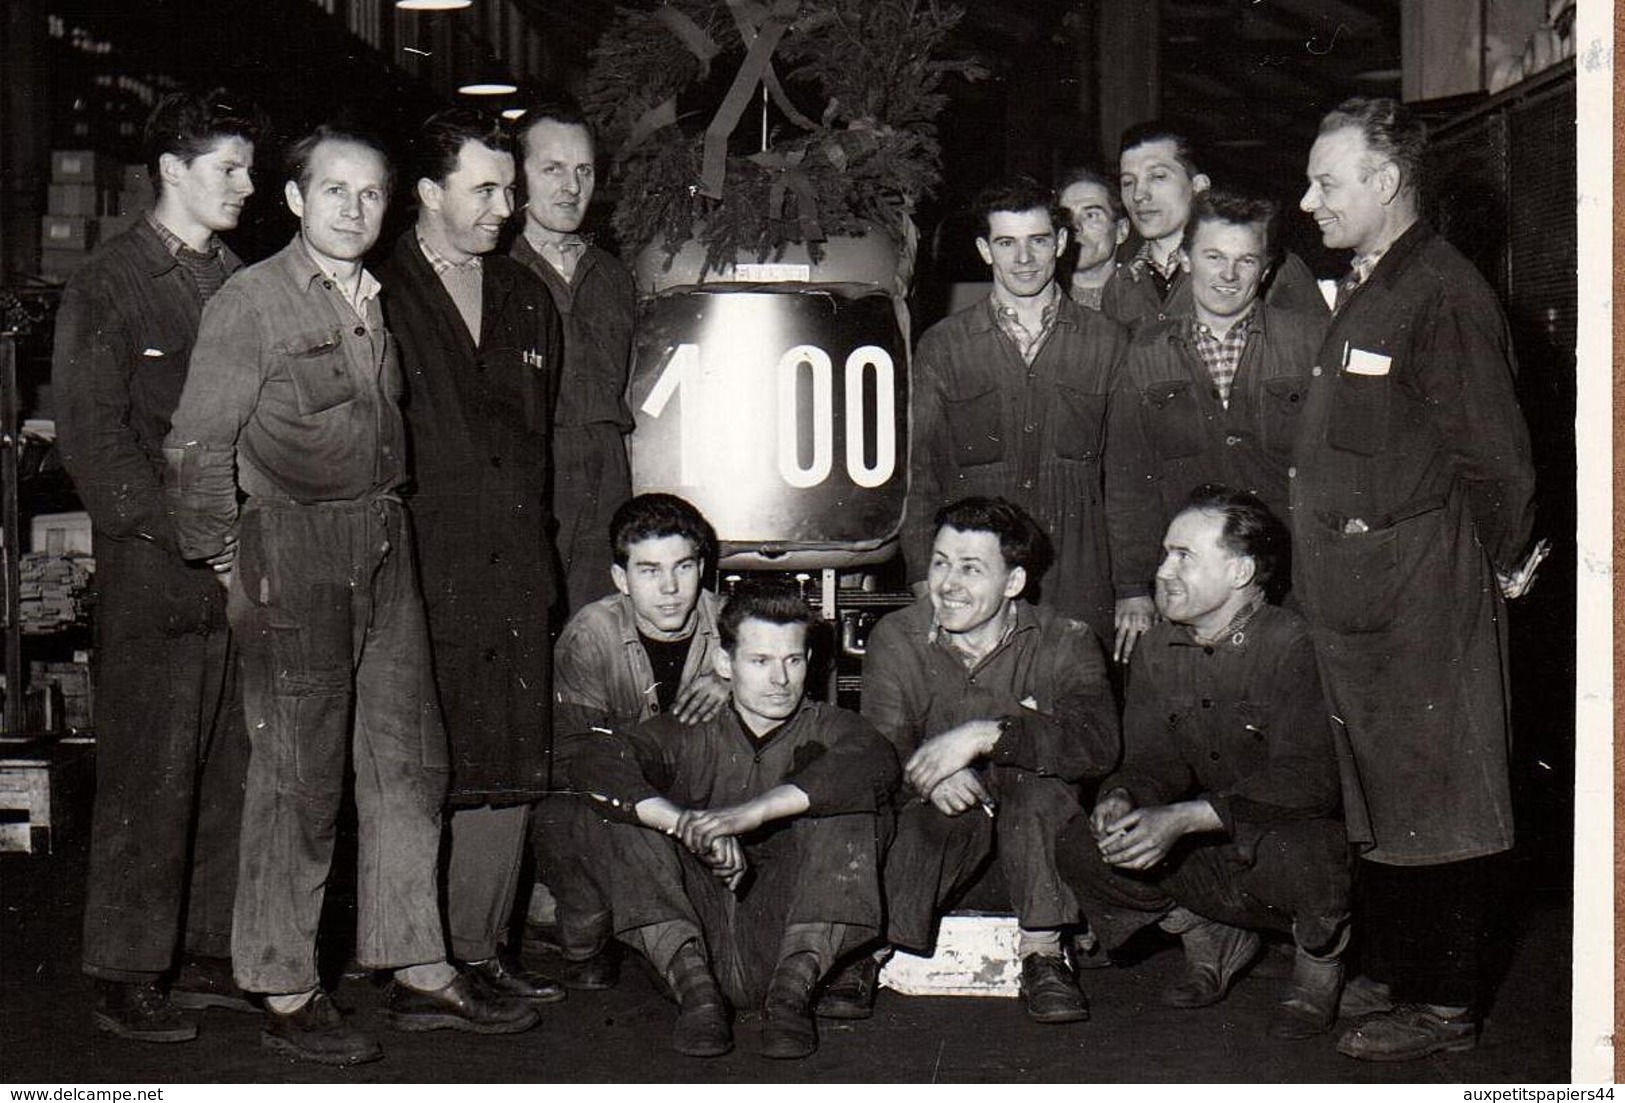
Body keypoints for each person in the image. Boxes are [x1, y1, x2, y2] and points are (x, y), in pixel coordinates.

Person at [163, 124, 536, 1066]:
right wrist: (226, 556)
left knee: (409, 763)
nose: (353, 209)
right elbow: (197, 448)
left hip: (384, 539)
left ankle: (416, 964)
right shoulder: (251, 302)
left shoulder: (375, 300)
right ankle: (284, 981)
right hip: (293, 547)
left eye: (370, 194)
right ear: (294, 200)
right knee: (298, 779)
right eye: (334, 191)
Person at [1293, 96, 1538, 1062]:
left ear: (1385, 183)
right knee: (1389, 795)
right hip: (1366, 592)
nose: (1305, 198)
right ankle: (1405, 974)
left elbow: (1500, 463)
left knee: (1440, 796)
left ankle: (1443, 1007)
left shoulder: (1440, 291)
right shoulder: (1375, 281)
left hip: (1421, 591)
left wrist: (1507, 568)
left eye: (1325, 180)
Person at [54, 89, 259, 1042]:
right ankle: (126, 968)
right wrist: (186, 537)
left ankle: (210, 950)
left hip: (239, 562)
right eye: (229, 168)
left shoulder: (241, 278)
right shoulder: (111, 280)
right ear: (171, 171)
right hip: (155, 565)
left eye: (249, 168)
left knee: (230, 761)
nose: (247, 187)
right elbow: (96, 441)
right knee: (149, 768)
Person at [376, 108, 565, 1006]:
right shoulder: (379, 289)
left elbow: (539, 444)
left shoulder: (528, 298)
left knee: (509, 753)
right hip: (418, 562)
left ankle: (479, 947)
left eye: (509, 188)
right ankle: (416, 958)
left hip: (513, 564)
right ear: (426, 194)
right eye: (484, 188)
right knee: (419, 760)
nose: (506, 206)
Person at [1055, 486, 1351, 1039]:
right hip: (1215, 844)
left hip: (1289, 843)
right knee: (1081, 843)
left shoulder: (1295, 645)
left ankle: (1320, 958)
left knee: (1309, 850)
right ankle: (1208, 930)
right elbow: (1151, 758)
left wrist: (1187, 818)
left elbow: (1312, 782)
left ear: (1239, 571)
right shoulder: (1157, 649)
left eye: (1183, 556)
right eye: (1165, 553)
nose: (1163, 570)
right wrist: (1124, 796)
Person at [568, 580, 899, 1060]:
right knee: (623, 817)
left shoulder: (831, 727)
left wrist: (744, 816)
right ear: (725, 665)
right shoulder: (687, 728)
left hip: (797, 942)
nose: (780, 680)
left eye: (793, 660)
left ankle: (790, 997)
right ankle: (698, 995)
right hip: (690, 943)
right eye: (760, 661)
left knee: (847, 806)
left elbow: (875, 760)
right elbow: (594, 759)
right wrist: (685, 824)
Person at [861, 497, 1119, 1025]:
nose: (948, 584)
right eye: (939, 562)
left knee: (1038, 789)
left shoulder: (1065, 640)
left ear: (1014, 582)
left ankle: (1043, 955)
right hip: (937, 855)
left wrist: (987, 736)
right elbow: (879, 747)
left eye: (971, 568)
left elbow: (1096, 744)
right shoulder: (896, 637)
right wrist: (928, 777)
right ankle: (868, 952)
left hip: (1040, 858)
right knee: (934, 816)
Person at [904, 176, 1128, 647]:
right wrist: (925, 580)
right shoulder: (944, 347)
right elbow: (921, 472)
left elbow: (1129, 473)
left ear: (1062, 243)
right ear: (986, 250)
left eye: (1038, 241)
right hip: (976, 574)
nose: (1023, 259)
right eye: (1006, 243)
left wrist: (1131, 586)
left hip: (1080, 574)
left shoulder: (1108, 342)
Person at [1105, 190, 1324, 662]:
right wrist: (1132, 586)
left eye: (1245, 261)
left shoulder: (1309, 343)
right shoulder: (1145, 353)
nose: (1228, 275)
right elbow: (1128, 480)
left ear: (1264, 271)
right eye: (1213, 257)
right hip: (1192, 582)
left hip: (1295, 581)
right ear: (1185, 260)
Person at [531, 492, 730, 990]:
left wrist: (735, 683)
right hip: (615, 804)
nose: (669, 588)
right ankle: (580, 925)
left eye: (683, 567)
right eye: (648, 571)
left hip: (700, 803)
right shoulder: (590, 636)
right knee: (561, 815)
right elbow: (572, 761)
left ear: (702, 568)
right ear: (620, 578)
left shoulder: (733, 626)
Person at [510, 95, 635, 616]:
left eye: (583, 170)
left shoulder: (613, 275)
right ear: (519, 177)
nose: (571, 187)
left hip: (607, 470)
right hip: (531, 469)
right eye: (552, 169)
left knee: (601, 625)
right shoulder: (497, 269)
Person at [1103, 121, 1324, 331]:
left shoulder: (1275, 269)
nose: (1139, 194)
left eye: (1158, 176)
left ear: (1199, 187)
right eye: (1128, 182)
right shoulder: (1119, 286)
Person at [1056, 165, 1129, 310]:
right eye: (1066, 216)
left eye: (1091, 215)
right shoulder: (1035, 300)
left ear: (1121, 230)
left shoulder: (1146, 301)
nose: (1075, 226)